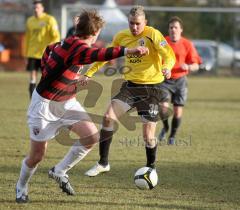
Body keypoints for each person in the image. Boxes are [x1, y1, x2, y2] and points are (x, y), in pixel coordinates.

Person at [15, 9, 148, 203]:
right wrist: (129, 50)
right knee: (36, 156)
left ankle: (59, 171)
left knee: (91, 136)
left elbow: (49, 49)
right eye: (98, 33)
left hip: (67, 102)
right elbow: (100, 54)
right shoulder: (78, 48)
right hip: (44, 107)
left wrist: (57, 75)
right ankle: (21, 187)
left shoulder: (71, 41)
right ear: (94, 33)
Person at [82, 5, 176, 177]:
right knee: (108, 118)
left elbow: (169, 55)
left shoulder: (153, 34)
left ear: (145, 22)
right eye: (131, 23)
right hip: (130, 86)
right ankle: (103, 163)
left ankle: (151, 167)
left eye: (138, 24)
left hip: (151, 88)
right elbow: (106, 55)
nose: (134, 27)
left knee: (148, 135)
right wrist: (89, 73)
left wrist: (167, 67)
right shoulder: (121, 36)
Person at [158, 16, 202, 145]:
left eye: (176, 27)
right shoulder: (162, 43)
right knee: (163, 109)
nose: (173, 30)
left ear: (181, 29)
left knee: (177, 112)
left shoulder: (187, 44)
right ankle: (165, 127)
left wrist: (188, 66)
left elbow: (196, 64)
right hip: (165, 80)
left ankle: (172, 135)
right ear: (168, 29)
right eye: (171, 27)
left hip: (180, 81)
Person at [24, 0, 60, 98]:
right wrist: (25, 54)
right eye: (34, 8)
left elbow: (56, 36)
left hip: (46, 55)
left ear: (42, 9)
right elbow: (27, 38)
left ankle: (46, 100)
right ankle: (32, 101)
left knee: (46, 78)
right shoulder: (30, 21)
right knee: (32, 79)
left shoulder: (49, 19)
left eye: (38, 8)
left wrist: (51, 49)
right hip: (32, 54)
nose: (36, 10)